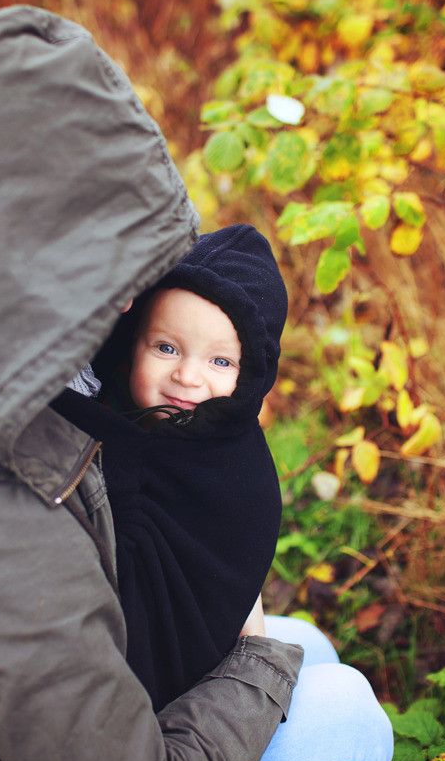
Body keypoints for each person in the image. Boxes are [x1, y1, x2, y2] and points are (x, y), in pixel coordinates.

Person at [0, 5, 392, 761]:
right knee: (344, 714)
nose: (126, 304)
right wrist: (259, 658)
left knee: (314, 652)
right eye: (98, 269)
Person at [51, 224, 288, 711]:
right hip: (151, 710)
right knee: (334, 687)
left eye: (220, 362)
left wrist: (251, 636)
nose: (186, 375)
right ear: (130, 345)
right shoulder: (101, 427)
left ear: (250, 378)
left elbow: (230, 552)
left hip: (214, 648)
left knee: (316, 647)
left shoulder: (235, 464)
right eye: (167, 348)